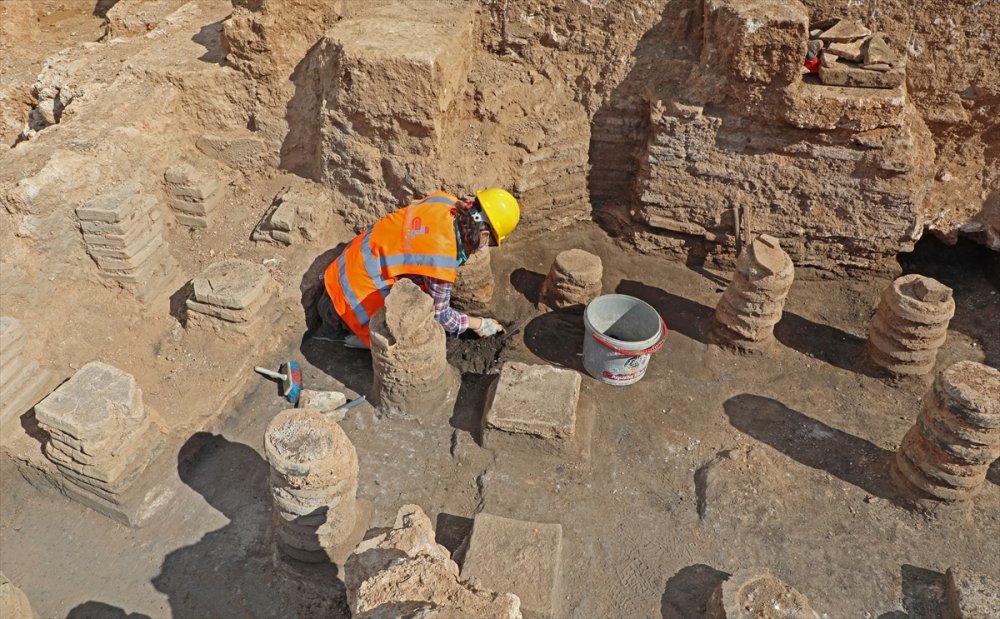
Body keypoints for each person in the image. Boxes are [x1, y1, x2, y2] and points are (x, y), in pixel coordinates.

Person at [314, 188, 520, 349]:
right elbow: (442, 317)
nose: (485, 247)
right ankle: (357, 339)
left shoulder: (444, 201)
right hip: (347, 307)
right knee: (415, 338)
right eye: (491, 243)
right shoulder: (441, 260)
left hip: (340, 272)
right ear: (484, 235)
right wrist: (479, 324)